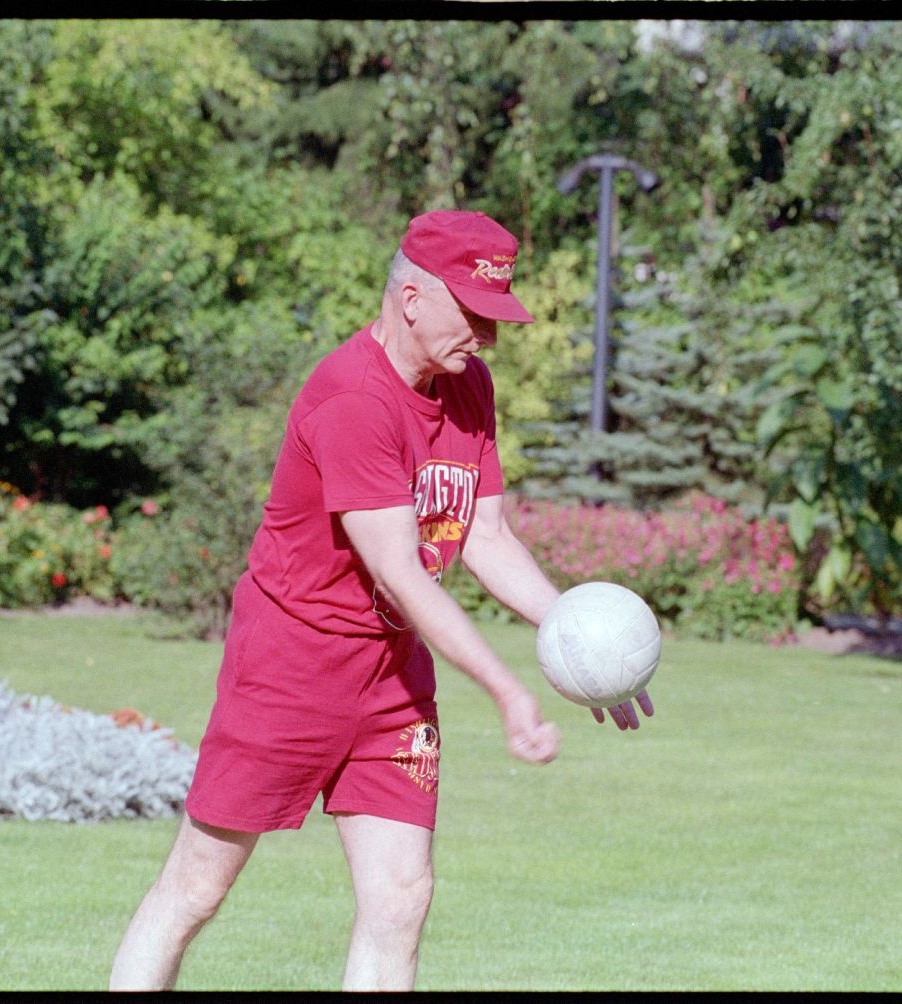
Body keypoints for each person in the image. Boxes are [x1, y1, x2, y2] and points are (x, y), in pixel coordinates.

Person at [108, 209, 655, 992]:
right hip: (289, 672)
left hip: (393, 684)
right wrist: (506, 688)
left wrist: (579, 639)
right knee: (197, 888)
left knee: (401, 899)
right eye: (474, 317)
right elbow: (400, 570)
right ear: (411, 300)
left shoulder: (468, 387)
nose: (487, 339)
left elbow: (486, 536)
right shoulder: (353, 400)